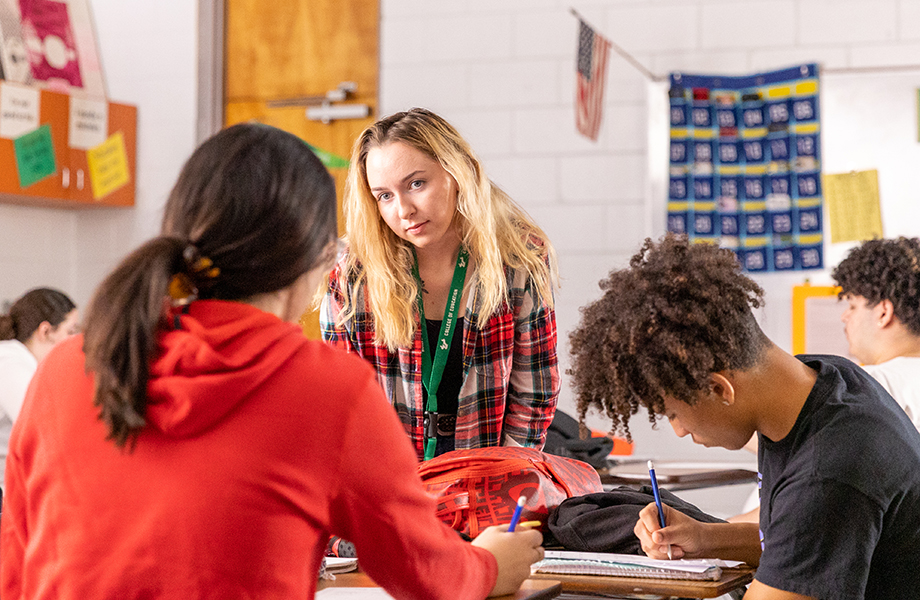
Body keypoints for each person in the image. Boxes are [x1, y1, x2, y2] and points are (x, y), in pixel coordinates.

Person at [0, 123, 544, 599]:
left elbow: (14, 560)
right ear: (314, 259)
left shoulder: (66, 367)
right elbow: (430, 577)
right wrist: (493, 563)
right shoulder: (328, 390)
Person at [568, 234, 920, 599]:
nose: (678, 431)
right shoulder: (829, 382)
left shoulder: (828, 471)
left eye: (673, 413)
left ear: (721, 389)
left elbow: (813, 521)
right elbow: (805, 542)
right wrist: (704, 537)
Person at [321, 108, 559, 460]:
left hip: (489, 465)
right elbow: (340, 402)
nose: (404, 210)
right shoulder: (351, 272)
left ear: (457, 173)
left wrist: (503, 478)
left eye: (416, 184)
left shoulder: (520, 257)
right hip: (386, 466)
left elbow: (534, 394)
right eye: (384, 195)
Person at [834, 236, 920, 429]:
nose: (844, 316)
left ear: (884, 312)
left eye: (853, 306)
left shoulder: (869, 383)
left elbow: (795, 443)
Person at [0, 287, 78, 485]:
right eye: (70, 331)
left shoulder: (26, 365)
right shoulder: (10, 361)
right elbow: (42, 430)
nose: (76, 341)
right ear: (45, 331)